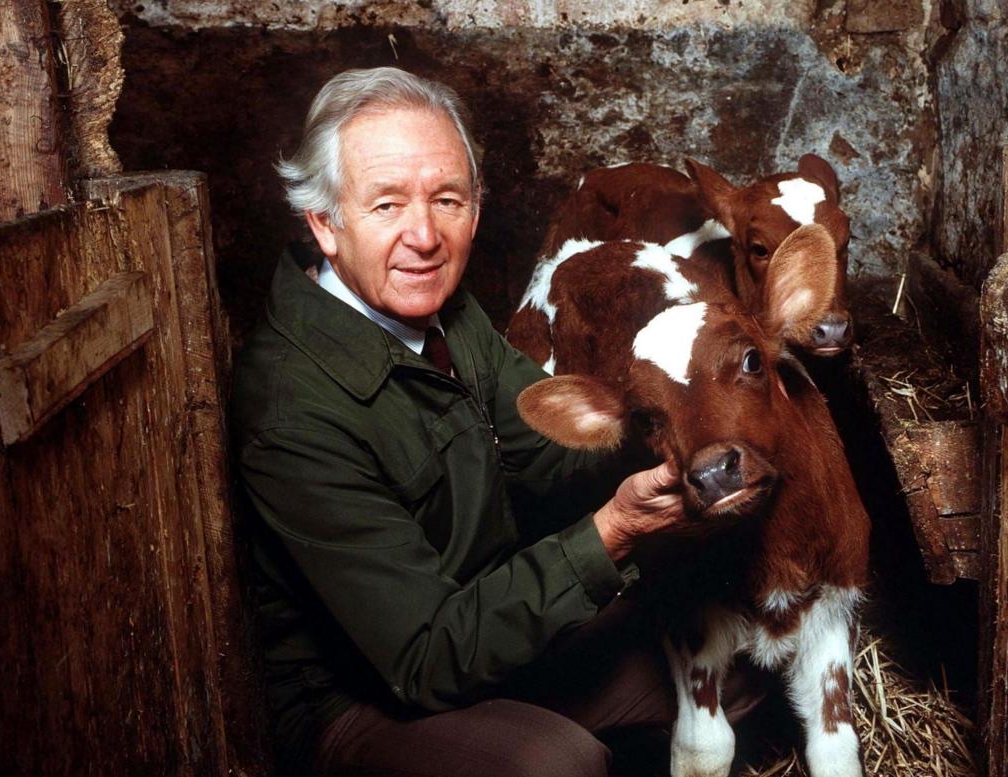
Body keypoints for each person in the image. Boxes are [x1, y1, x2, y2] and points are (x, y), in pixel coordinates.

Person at [231, 67, 763, 777]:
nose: (424, 235)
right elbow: (423, 655)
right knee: (553, 765)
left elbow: (547, 455)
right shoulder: (292, 407)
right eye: (386, 204)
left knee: (739, 667)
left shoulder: (444, 313)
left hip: (495, 619)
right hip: (367, 697)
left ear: (474, 211)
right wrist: (612, 534)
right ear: (324, 223)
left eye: (446, 199)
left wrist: (677, 412)